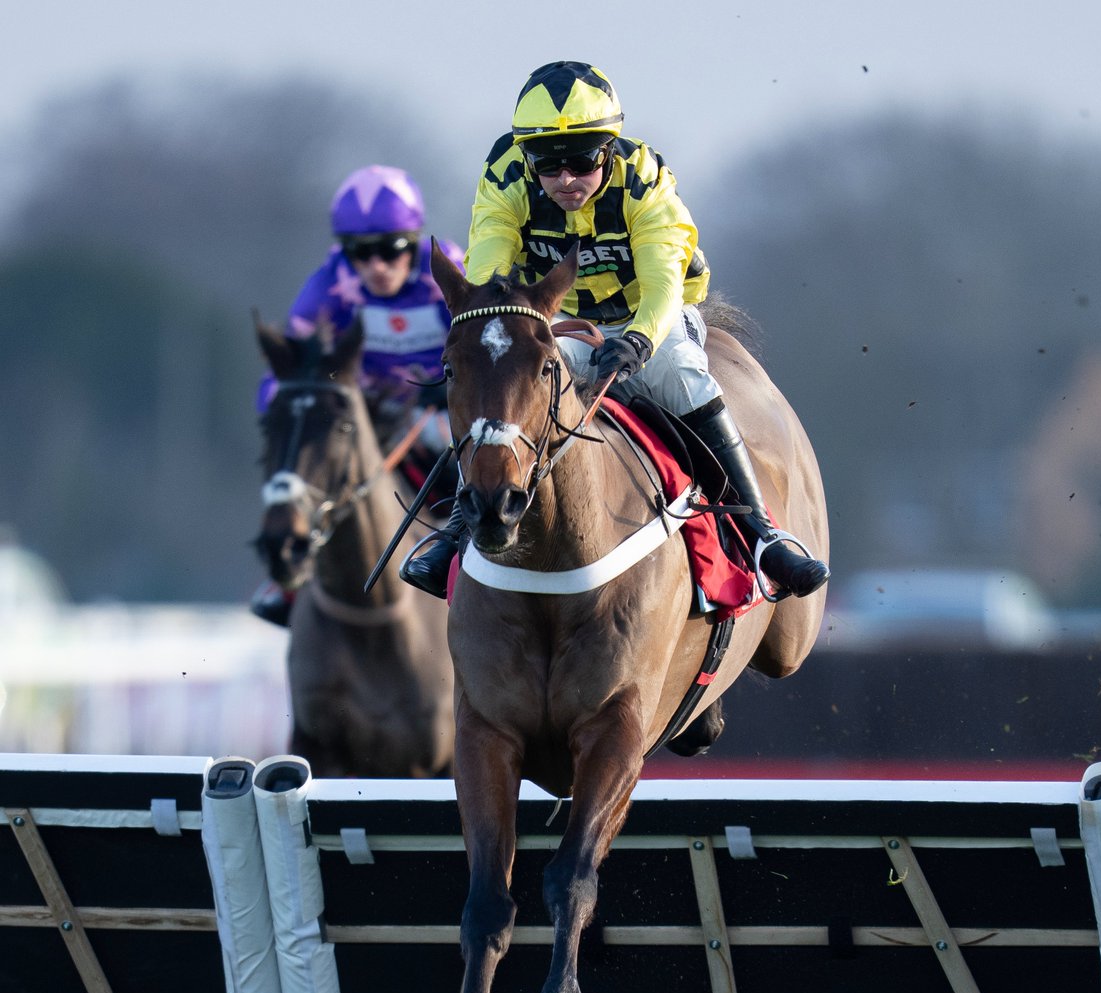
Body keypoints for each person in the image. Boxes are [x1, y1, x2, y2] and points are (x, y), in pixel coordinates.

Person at [400, 61, 829, 602]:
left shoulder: (644, 182)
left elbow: (662, 286)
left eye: (581, 162)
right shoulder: (505, 175)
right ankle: (463, 528)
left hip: (651, 313)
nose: (565, 181)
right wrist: (493, 330)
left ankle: (763, 536)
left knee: (677, 370)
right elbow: (490, 270)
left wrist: (641, 340)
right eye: (548, 167)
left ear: (607, 150)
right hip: (558, 320)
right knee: (500, 373)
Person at [252, 165, 464, 625]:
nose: (376, 267)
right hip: (369, 413)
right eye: (360, 254)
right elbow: (284, 370)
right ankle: (291, 581)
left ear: (413, 242)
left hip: (446, 406)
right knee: (315, 465)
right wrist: (283, 411)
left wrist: (447, 392)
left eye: (391, 250)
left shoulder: (446, 271)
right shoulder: (327, 286)